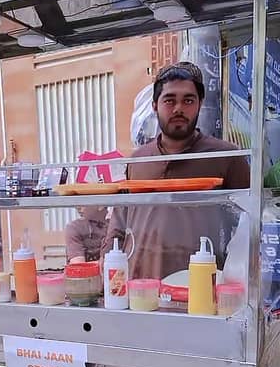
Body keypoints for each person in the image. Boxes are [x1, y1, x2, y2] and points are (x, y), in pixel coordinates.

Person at [101, 62, 250, 281]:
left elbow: (251, 221)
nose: (178, 108)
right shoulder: (138, 159)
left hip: (200, 288)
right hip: (141, 289)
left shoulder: (225, 156)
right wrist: (106, 259)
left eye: (188, 100)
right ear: (154, 105)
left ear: (199, 104)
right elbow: (120, 220)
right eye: (169, 100)